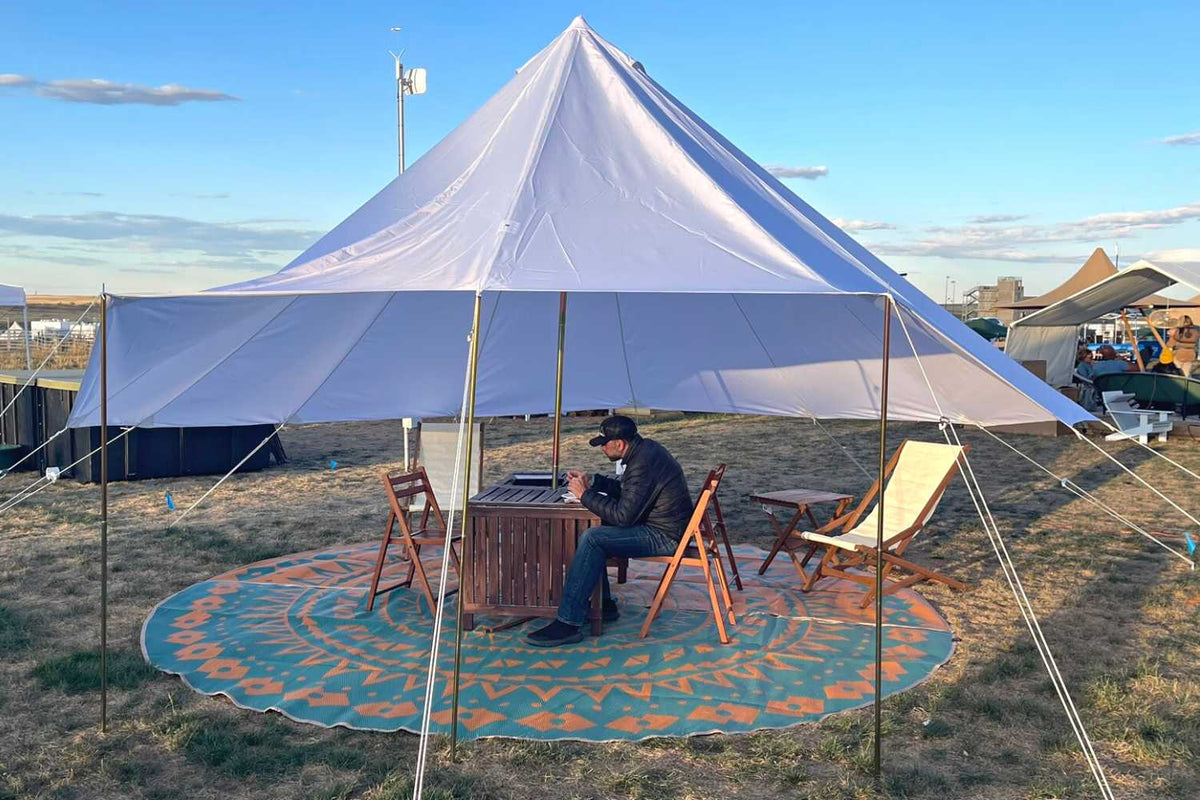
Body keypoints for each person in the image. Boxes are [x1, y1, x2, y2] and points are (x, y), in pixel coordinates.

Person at [524, 415, 693, 647]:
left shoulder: (642, 463)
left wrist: (584, 495)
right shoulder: (645, 451)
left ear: (620, 444)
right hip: (662, 525)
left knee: (594, 538)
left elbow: (624, 516)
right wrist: (594, 482)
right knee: (592, 529)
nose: (602, 447)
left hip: (664, 536)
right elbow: (628, 491)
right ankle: (604, 604)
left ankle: (568, 623)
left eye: (605, 443)